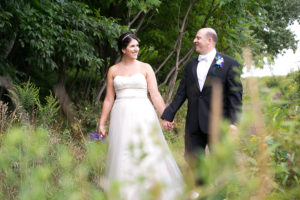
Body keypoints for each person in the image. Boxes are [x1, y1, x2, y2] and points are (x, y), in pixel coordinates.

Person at [98, 33, 184, 200]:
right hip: (120, 114)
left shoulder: (145, 67)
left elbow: (155, 94)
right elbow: (109, 98)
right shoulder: (113, 70)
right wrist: (102, 123)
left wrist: (166, 116)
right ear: (123, 49)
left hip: (143, 113)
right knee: (122, 151)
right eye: (132, 46)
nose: (136, 49)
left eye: (137, 45)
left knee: (148, 148)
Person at [161, 27, 243, 162]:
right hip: (194, 124)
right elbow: (181, 94)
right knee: (193, 163)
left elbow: (235, 96)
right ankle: (199, 184)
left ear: (209, 40)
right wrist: (168, 115)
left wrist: (234, 122)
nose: (194, 40)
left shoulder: (229, 63)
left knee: (220, 165)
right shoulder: (190, 66)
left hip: (219, 124)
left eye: (198, 38)